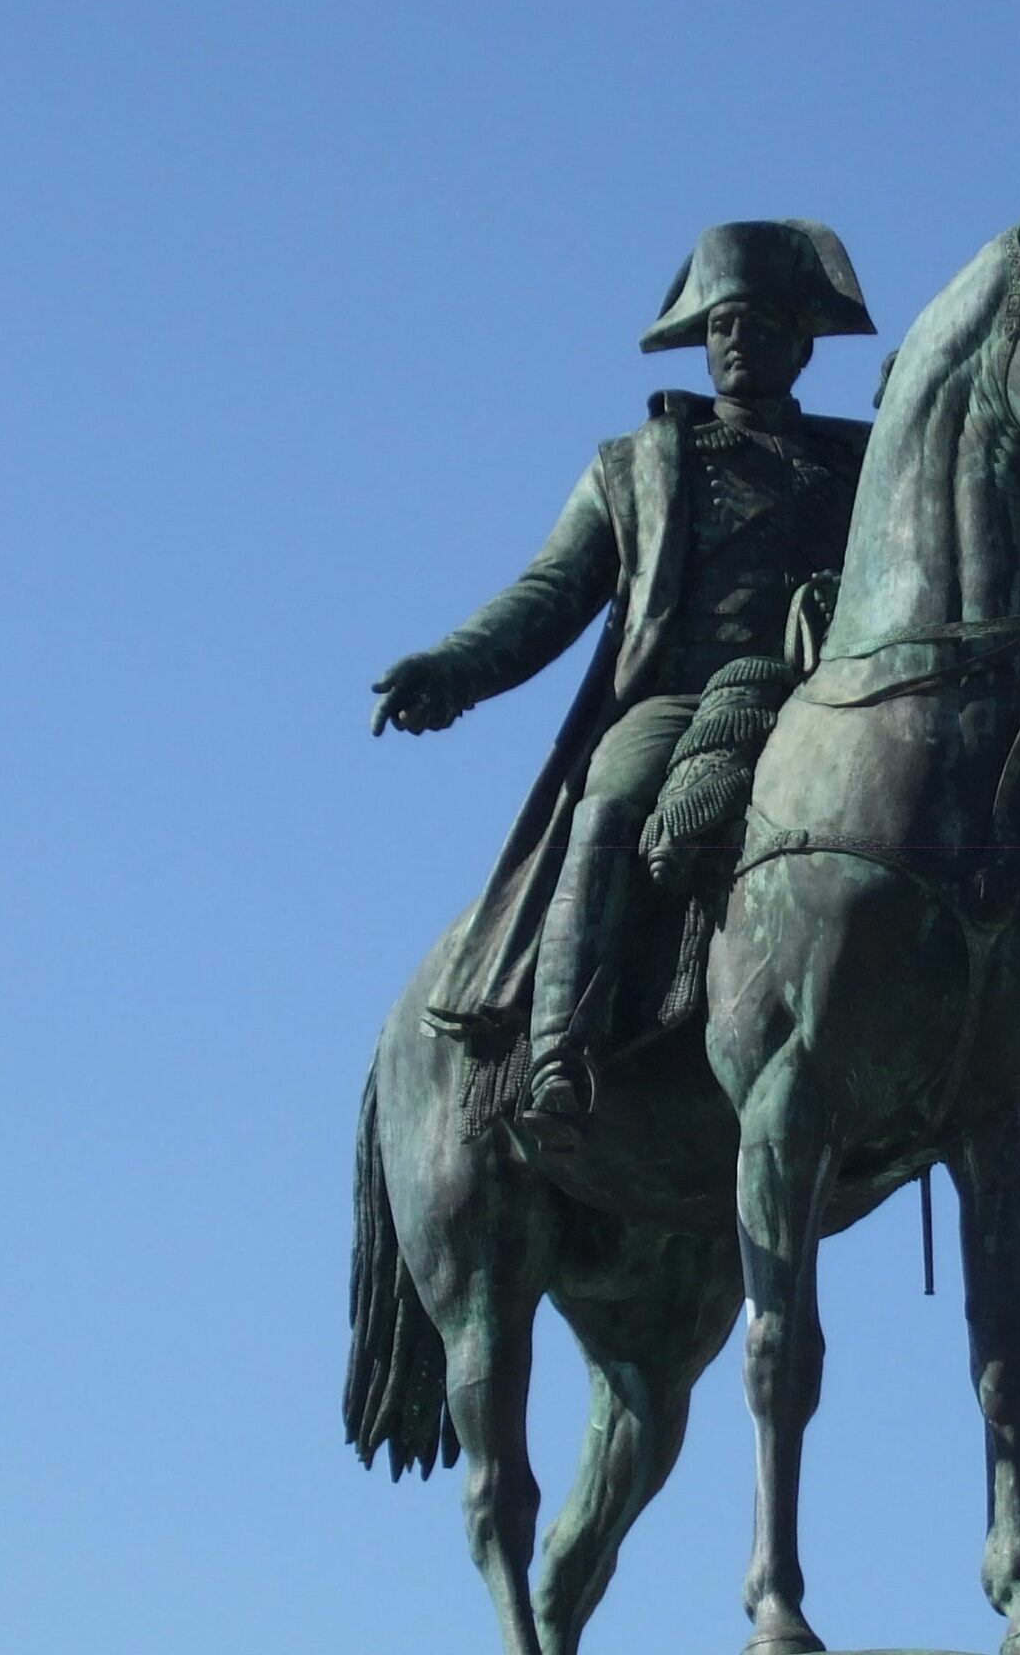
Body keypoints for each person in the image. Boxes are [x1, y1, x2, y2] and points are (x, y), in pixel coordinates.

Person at [371, 219, 876, 1147]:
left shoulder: (861, 466)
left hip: (823, 705)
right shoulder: (638, 466)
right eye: (721, 323)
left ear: (803, 344)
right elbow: (551, 591)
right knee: (609, 805)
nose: (734, 340)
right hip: (680, 705)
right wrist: (454, 666)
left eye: (758, 323)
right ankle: (561, 1049)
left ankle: (992, 1089)